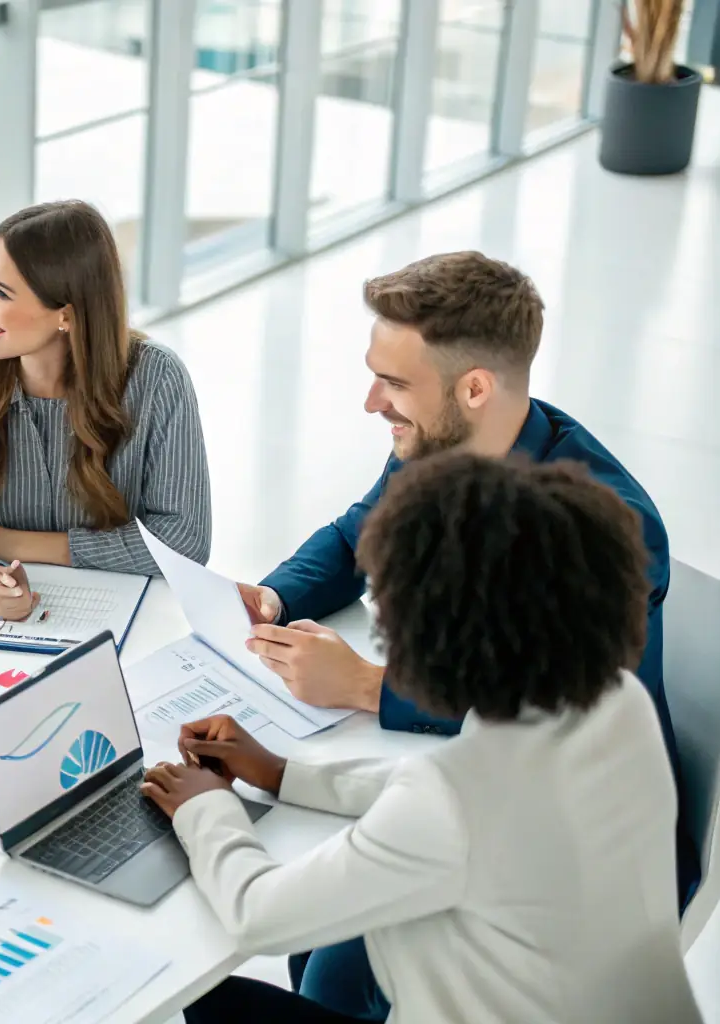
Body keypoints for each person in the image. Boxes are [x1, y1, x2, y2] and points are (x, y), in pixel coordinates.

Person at [143, 454, 701, 1024]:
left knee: (206, 998)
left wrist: (206, 807)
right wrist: (283, 773)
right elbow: (457, 793)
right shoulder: (616, 702)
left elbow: (255, 915)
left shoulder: (451, 802)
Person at [236, 252, 699, 929]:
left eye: (390, 382)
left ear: (473, 388)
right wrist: (273, 599)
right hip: (454, 788)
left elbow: (549, 718)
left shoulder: (604, 530)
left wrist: (367, 684)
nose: (370, 403)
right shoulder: (436, 442)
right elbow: (351, 539)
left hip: (579, 850)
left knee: (336, 923)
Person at [0, 200, 210, 619]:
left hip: (128, 612)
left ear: (66, 314)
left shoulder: (157, 377)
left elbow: (183, 543)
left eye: (1, 292)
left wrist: (8, 543)